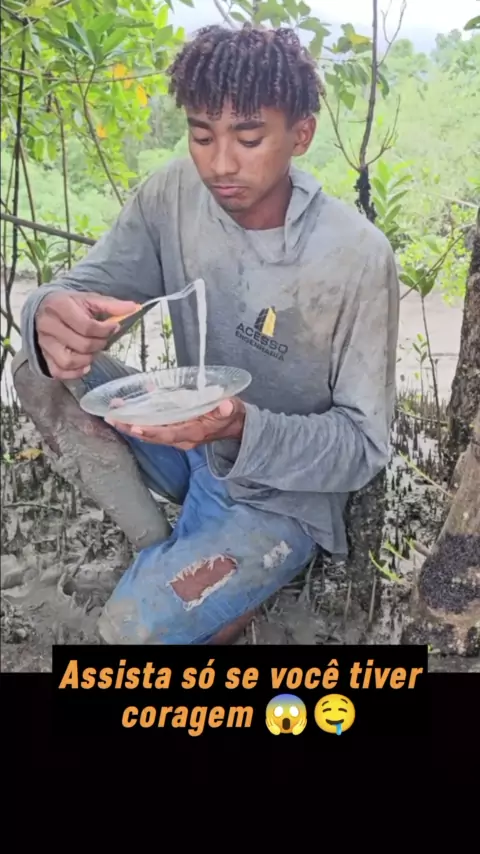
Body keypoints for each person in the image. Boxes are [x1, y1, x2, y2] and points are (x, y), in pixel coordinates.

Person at [13, 23, 400, 646]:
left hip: (281, 493)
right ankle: (158, 544)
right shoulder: (172, 196)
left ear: (301, 134)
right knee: (36, 369)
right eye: (201, 135)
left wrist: (239, 426)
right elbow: (85, 287)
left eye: (249, 139)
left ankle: (234, 566)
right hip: (185, 444)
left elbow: (362, 447)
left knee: (129, 635)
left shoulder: (355, 257)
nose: (220, 164)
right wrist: (49, 309)